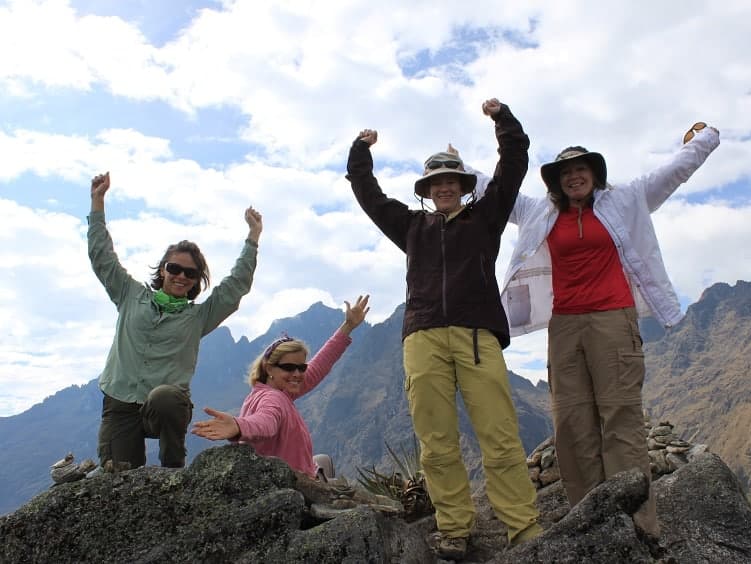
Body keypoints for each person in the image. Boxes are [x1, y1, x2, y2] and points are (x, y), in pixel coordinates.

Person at [497, 122, 721, 536]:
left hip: (613, 320)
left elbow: (674, 171)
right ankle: (590, 522)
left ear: (595, 174)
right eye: (565, 173)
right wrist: (456, 166)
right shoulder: (539, 213)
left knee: (620, 417)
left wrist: (705, 137)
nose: (573, 176)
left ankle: (638, 524)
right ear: (556, 182)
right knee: (571, 422)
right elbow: (496, 190)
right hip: (563, 326)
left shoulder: (626, 200)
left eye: (581, 169)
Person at [346, 99, 542, 560]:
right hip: (423, 336)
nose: (445, 187)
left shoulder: (486, 217)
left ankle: (522, 524)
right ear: (428, 190)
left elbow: (514, 164)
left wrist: (503, 119)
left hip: (478, 337)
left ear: (463, 185)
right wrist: (360, 150)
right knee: (435, 439)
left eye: (452, 180)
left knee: (498, 431)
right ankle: (454, 527)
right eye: (438, 183)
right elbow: (368, 195)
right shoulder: (411, 228)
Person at [88, 171, 263, 469]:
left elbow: (235, 287)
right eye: (175, 268)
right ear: (163, 270)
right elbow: (102, 257)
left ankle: (174, 471)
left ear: (197, 280)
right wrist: (97, 203)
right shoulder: (130, 295)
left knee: (166, 397)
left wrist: (252, 238)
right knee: (118, 476)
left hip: (166, 408)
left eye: (191, 273)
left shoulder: (197, 317)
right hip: (120, 400)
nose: (181, 276)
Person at [190, 295, 370, 478]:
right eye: (289, 368)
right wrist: (239, 426)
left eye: (301, 367)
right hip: (291, 482)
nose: (298, 374)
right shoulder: (274, 399)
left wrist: (348, 326)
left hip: (279, 474)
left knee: (322, 460)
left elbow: (319, 367)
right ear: (269, 368)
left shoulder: (275, 391)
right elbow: (266, 422)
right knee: (326, 468)